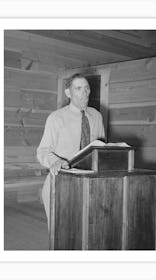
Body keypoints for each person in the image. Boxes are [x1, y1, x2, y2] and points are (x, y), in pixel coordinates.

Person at [36, 73, 105, 226]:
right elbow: (43, 151)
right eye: (78, 88)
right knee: (61, 234)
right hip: (61, 182)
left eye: (87, 88)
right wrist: (56, 161)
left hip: (90, 183)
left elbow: (101, 148)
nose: (84, 92)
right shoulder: (56, 118)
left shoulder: (97, 116)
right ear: (68, 93)